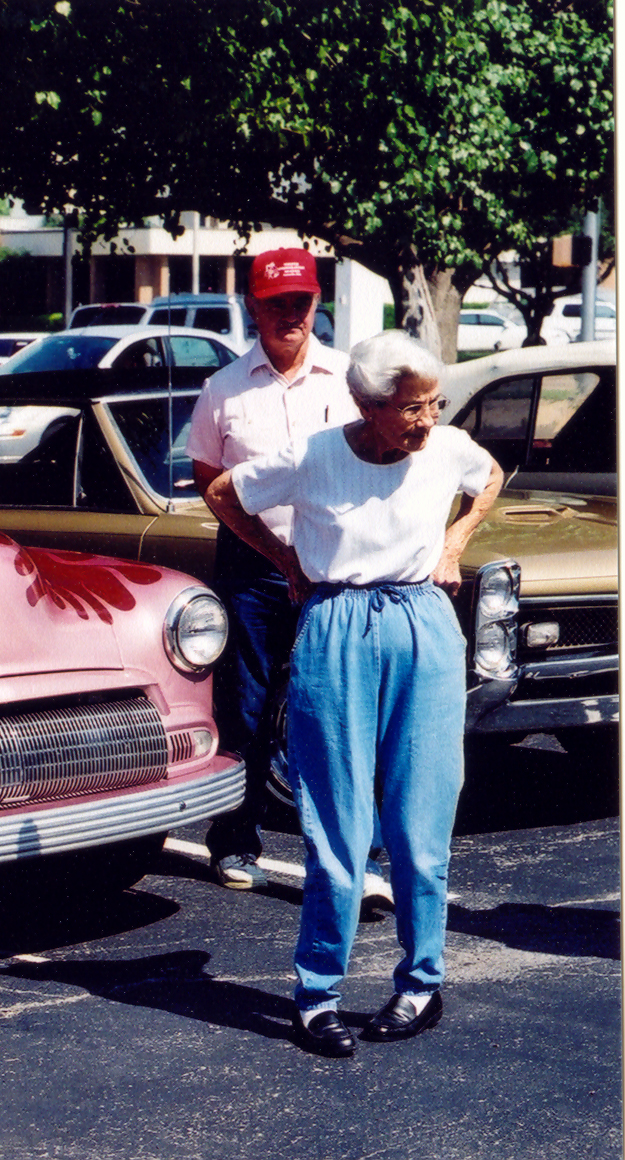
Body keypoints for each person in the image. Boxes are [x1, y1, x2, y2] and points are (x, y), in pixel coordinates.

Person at [204, 331, 503, 1057]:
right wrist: (283, 559)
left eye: (433, 404)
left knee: (419, 819)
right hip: (334, 625)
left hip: (422, 625)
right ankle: (316, 997)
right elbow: (221, 492)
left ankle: (421, 984)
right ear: (366, 406)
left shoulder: (445, 446)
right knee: (336, 825)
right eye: (409, 409)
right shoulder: (314, 456)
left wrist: (455, 542)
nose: (425, 421)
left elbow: (488, 474)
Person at [186, 248, 385, 898]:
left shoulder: (343, 382)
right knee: (244, 712)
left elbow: (372, 467)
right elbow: (212, 488)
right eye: (275, 304)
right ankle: (233, 844)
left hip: (332, 570)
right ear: (252, 306)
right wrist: (279, 559)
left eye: (299, 303)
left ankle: (355, 857)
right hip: (252, 570)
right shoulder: (222, 390)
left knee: (332, 712)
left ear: (315, 304)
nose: (288, 316)